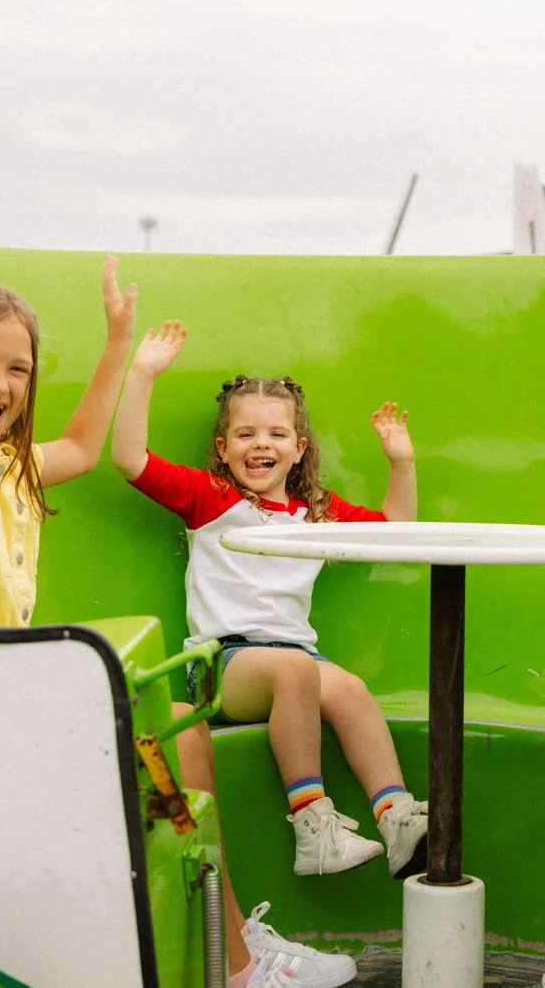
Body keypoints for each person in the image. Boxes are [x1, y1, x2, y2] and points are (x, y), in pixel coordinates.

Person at [0, 225, 346, 988]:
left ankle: (231, 951)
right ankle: (235, 957)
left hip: (5, 694)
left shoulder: (8, 465)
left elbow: (86, 446)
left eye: (17, 368)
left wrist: (119, 342)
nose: (0, 382)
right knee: (165, 756)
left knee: (181, 757)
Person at [111, 321, 430, 881]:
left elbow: (397, 532)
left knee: (349, 688)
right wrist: (141, 373)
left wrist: (401, 463)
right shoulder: (212, 498)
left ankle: (396, 816)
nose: (262, 445)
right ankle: (314, 826)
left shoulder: (316, 514)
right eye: (246, 434)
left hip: (294, 662)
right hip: (221, 665)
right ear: (223, 448)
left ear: (299, 449)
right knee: (295, 669)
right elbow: (129, 457)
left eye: (277, 435)